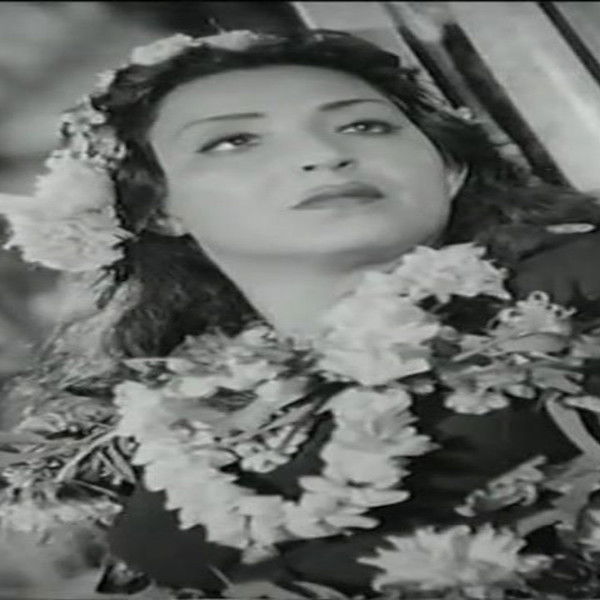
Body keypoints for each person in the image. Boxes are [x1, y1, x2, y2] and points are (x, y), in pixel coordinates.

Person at [1, 27, 600, 598]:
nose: (325, 154)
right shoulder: (175, 488)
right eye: (234, 141)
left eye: (365, 126)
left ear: (449, 169)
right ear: (157, 209)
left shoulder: (579, 290)